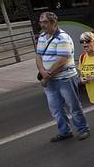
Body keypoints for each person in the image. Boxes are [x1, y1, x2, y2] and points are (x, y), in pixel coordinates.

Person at [36, 12, 90, 142]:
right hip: (49, 79)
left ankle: (83, 129)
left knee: (73, 106)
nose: (42, 25)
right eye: (41, 22)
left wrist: (45, 77)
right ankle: (64, 131)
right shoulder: (42, 36)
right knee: (56, 108)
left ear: (53, 23)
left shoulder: (63, 38)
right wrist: (42, 70)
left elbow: (62, 61)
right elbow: (38, 56)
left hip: (65, 78)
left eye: (45, 22)